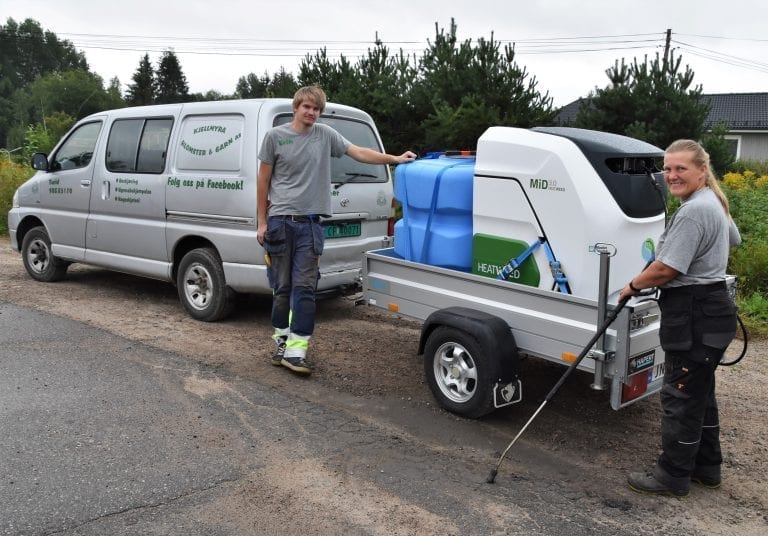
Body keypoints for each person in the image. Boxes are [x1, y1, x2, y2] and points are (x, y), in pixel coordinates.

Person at [256, 86, 416, 375]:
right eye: (307, 107)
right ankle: (281, 341)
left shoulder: (325, 135)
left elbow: (360, 153)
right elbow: (262, 181)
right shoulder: (275, 137)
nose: (311, 113)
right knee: (282, 290)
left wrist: (394, 159)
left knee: (305, 289)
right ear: (296, 107)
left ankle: (297, 351)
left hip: (311, 226)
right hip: (280, 222)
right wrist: (262, 222)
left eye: (316, 109)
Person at [619, 139, 741, 497]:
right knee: (699, 395)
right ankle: (706, 469)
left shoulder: (693, 210)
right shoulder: (712, 201)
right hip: (711, 307)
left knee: (681, 396)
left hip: (694, 314)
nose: (671, 175)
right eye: (667, 169)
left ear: (702, 171)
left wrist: (631, 286)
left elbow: (667, 268)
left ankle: (672, 476)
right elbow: (732, 239)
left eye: (680, 169)